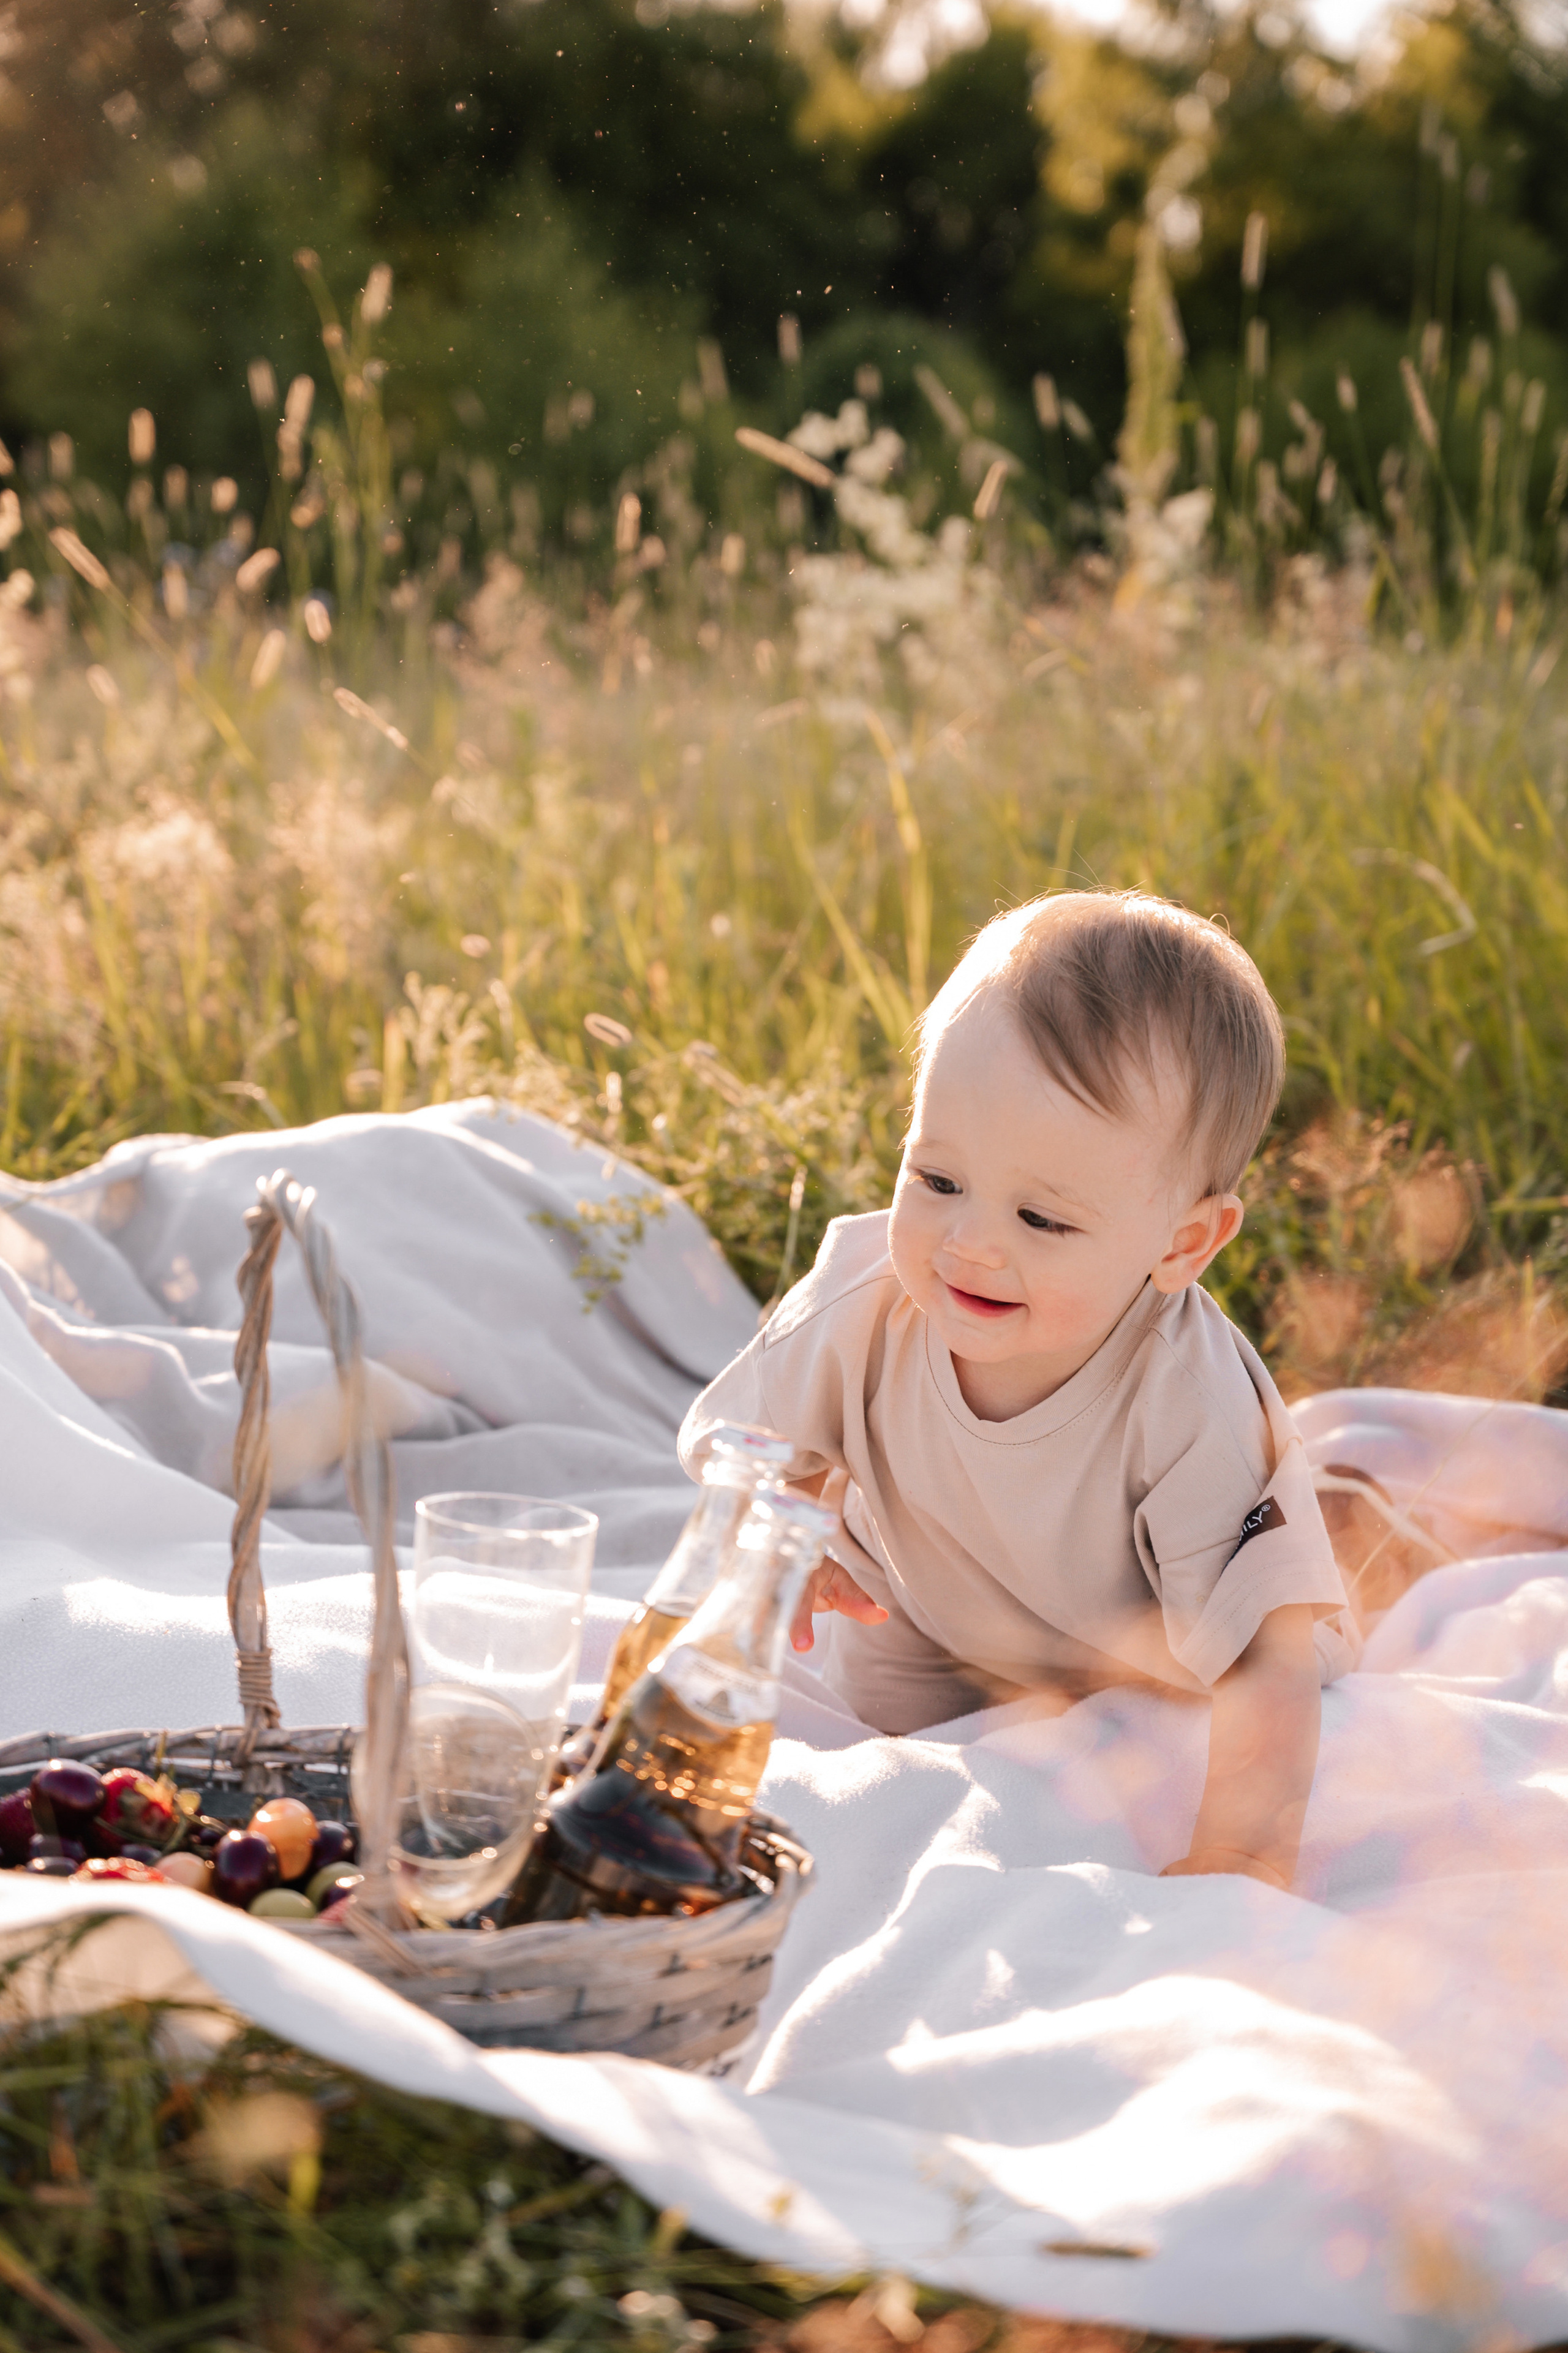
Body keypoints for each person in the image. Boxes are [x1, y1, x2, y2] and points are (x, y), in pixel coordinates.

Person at [677, 889, 1358, 1889]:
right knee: (889, 1771)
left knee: (1282, 1634)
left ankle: (1350, 1508)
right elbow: (751, 1454)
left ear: (1185, 1242)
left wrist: (1242, 1853)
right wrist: (790, 1521)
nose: (971, 1244)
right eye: (937, 1180)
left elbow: (1266, 1660)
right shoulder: (862, 1303)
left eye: (1042, 1219)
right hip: (927, 1614)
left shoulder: (1191, 1404)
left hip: (1151, 1655)